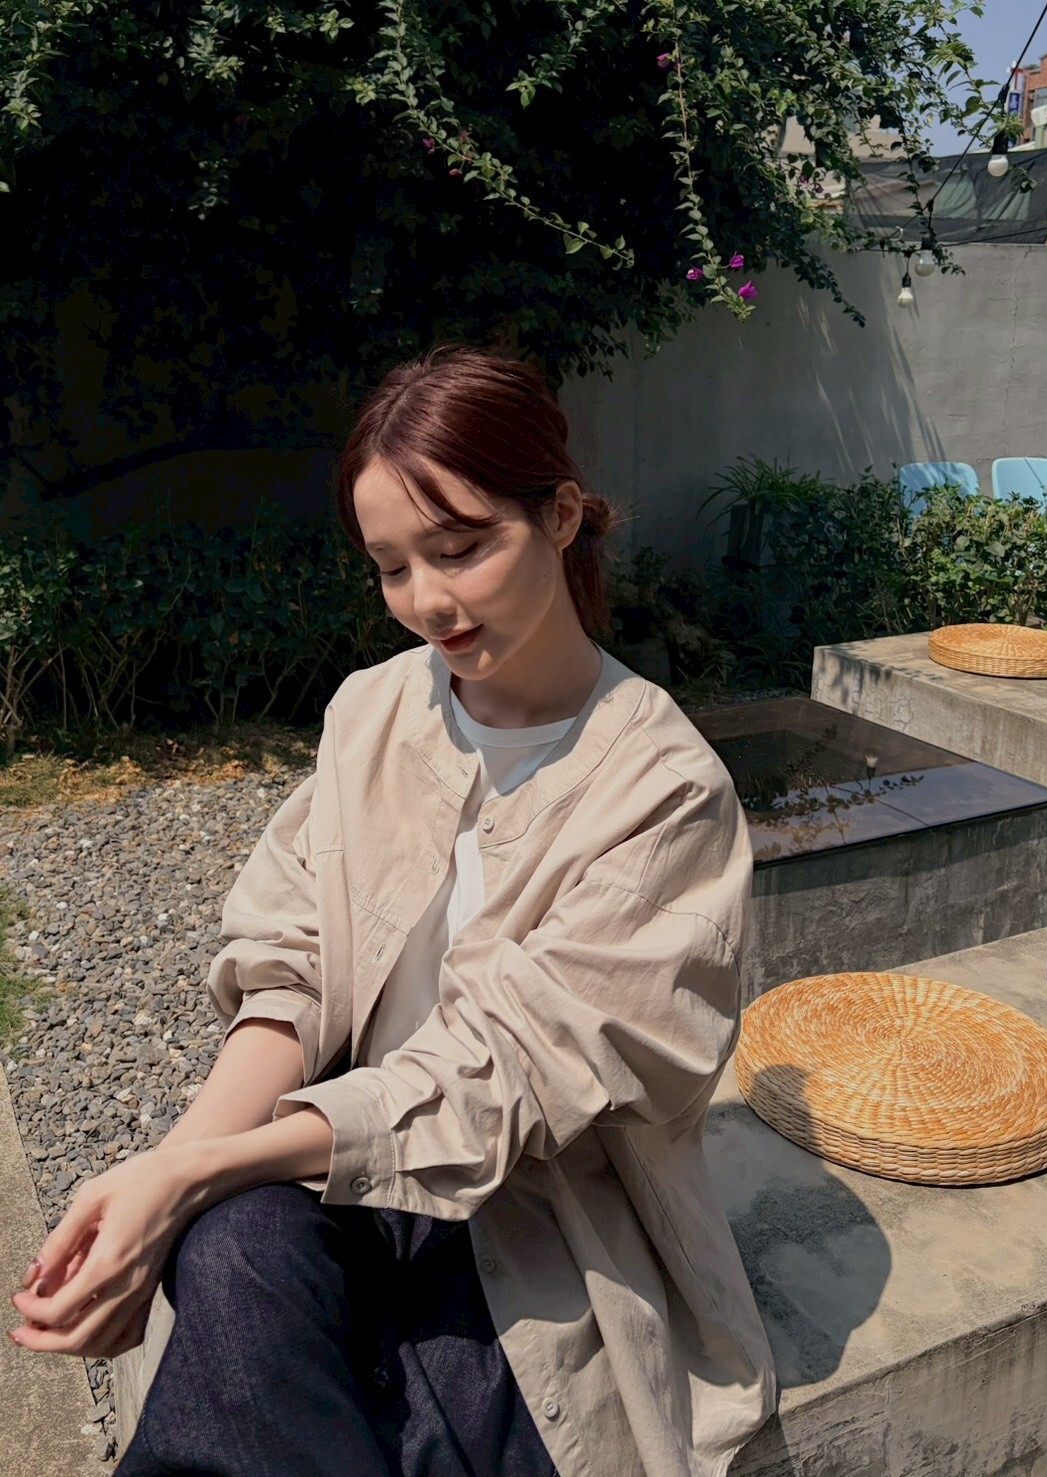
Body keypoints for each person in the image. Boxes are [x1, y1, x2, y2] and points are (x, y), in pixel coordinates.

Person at [8, 345, 777, 1475]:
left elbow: (502, 1081)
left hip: (531, 1231)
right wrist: (164, 1180)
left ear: (561, 516)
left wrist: (192, 1175)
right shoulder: (372, 711)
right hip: (344, 1171)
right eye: (391, 567)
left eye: (461, 548)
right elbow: (293, 966)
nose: (428, 601)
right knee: (228, 1245)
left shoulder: (663, 790)